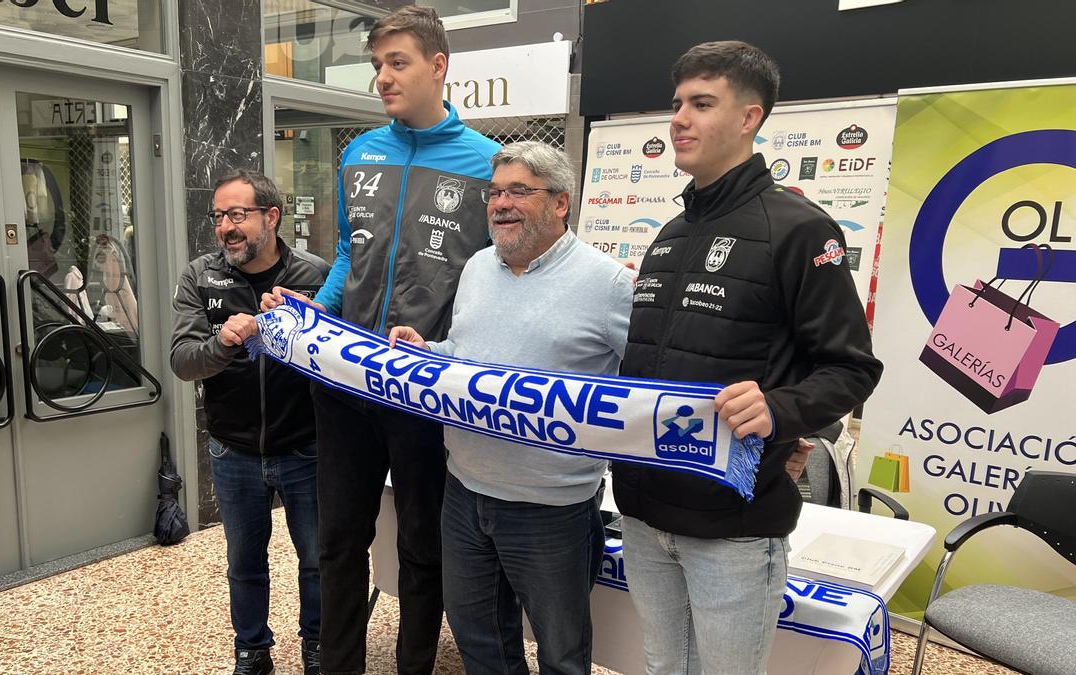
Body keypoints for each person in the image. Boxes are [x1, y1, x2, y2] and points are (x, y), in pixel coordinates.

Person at [614, 41, 883, 674]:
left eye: (702, 103)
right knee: (661, 668)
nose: (678, 118)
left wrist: (779, 409)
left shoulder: (799, 229)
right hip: (645, 511)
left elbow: (852, 367)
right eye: (677, 103)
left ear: (749, 118)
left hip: (733, 525)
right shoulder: (670, 235)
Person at [263, 7, 499, 674]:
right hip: (344, 378)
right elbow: (348, 254)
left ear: (438, 66)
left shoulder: (487, 163)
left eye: (398, 63)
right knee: (340, 541)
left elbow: (493, 278)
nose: (384, 78)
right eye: (378, 66)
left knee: (424, 545)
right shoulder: (359, 152)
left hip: (424, 386)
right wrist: (319, 306)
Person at [388, 142, 633, 675]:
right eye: (495, 192)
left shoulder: (609, 283)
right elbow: (466, 356)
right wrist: (427, 352)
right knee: (481, 642)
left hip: (552, 507)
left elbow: (646, 386)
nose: (501, 203)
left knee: (562, 654)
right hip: (464, 492)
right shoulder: (476, 267)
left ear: (561, 204)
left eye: (519, 191)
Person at [170, 169, 329, 675]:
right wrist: (224, 341)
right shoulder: (201, 276)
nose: (226, 227)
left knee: (318, 560)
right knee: (244, 563)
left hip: (306, 446)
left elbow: (345, 353)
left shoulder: (314, 274)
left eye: (238, 215)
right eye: (219, 217)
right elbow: (182, 360)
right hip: (232, 449)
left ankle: (319, 648)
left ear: (272, 217)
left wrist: (314, 322)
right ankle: (253, 651)